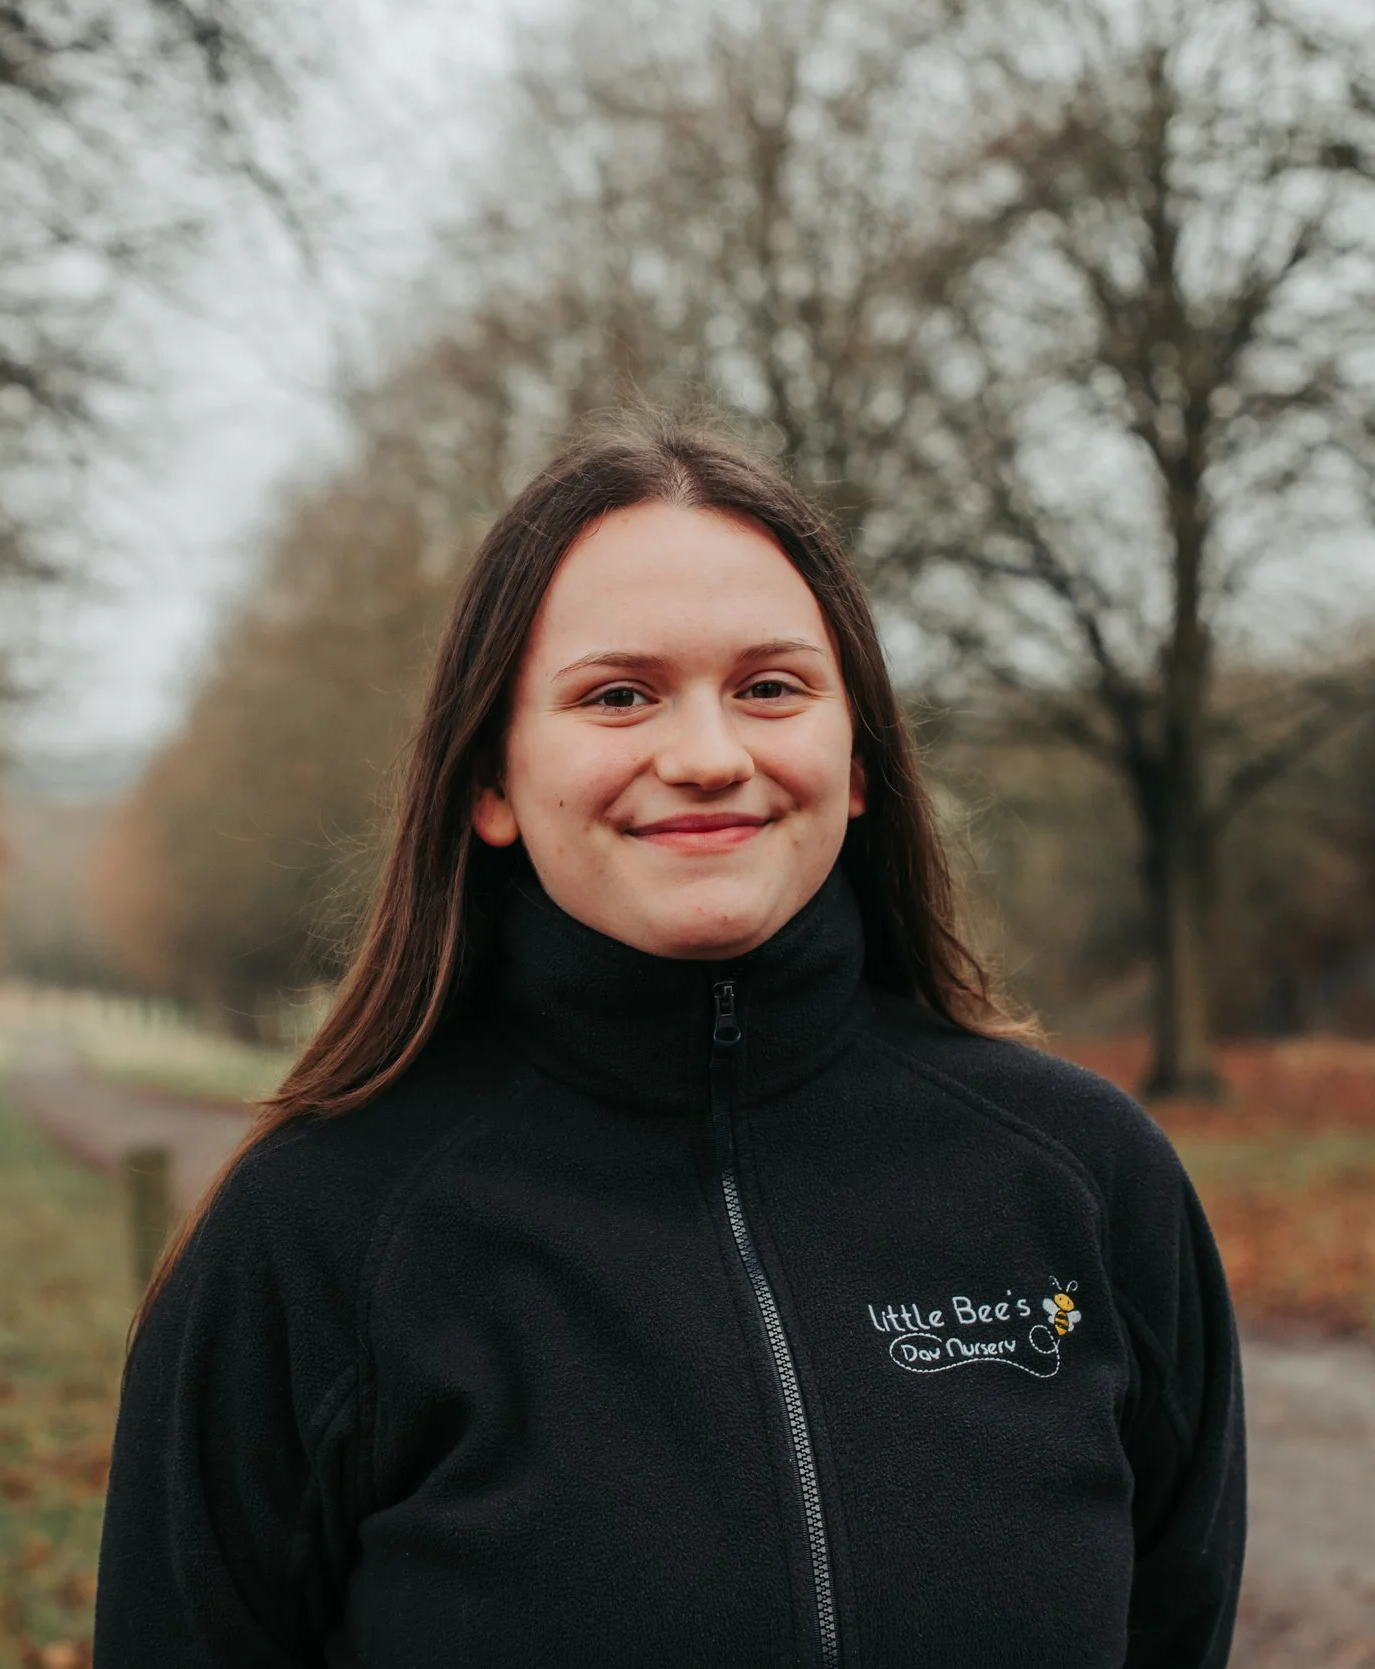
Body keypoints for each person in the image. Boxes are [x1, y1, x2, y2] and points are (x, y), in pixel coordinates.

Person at [94, 422, 1244, 1667]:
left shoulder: (1082, 1177)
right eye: (618, 695)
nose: (706, 756)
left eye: (770, 687)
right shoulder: (312, 1236)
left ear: (857, 761)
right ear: (490, 781)